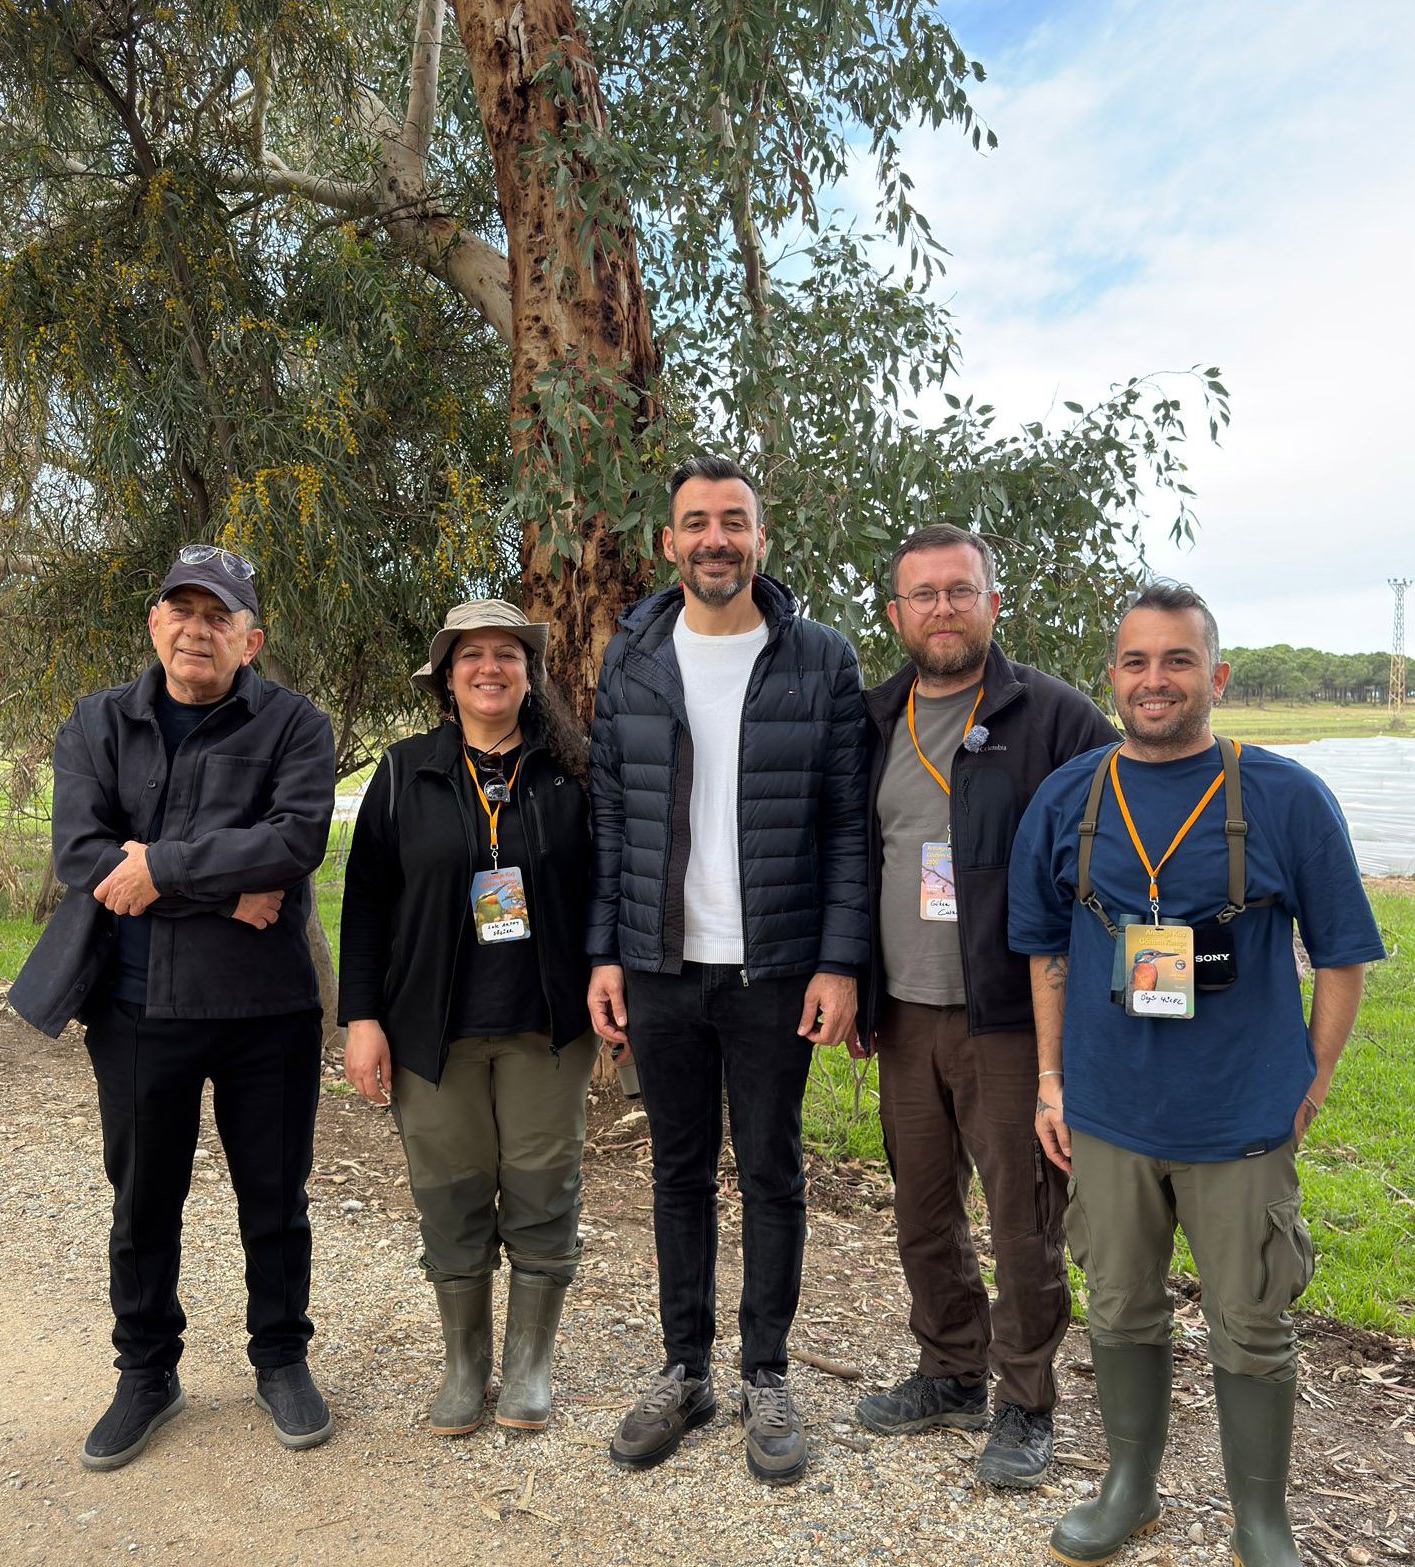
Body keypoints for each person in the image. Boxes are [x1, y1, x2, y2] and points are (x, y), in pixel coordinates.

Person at [1009, 583, 1384, 1567]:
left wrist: (1311, 1080)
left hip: (1239, 1121)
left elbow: (1344, 957)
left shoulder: (1286, 796)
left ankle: (1262, 1524)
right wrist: (1051, 1082)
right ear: (1112, 677)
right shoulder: (1070, 798)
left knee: (1254, 1320)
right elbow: (1042, 952)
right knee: (1118, 1304)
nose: (1156, 680)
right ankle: (1130, 1486)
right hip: (1110, 1118)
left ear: (1216, 675)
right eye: (1136, 661)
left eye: (1178, 660)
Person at [10, 547, 336, 1468]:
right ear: (155, 624)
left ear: (250, 640)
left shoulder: (297, 725)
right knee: (143, 1198)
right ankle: (147, 1371)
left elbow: (294, 842)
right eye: (181, 610)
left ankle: (282, 1359)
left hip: (267, 1008)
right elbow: (83, 853)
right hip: (137, 1004)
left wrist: (157, 866)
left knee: (275, 1196)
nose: (198, 630)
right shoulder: (98, 722)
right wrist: (223, 892)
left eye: (218, 615)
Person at [588, 454, 868, 1484]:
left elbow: (847, 826)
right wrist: (604, 950)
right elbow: (611, 817)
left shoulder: (820, 658)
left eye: (734, 521)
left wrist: (839, 963)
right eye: (697, 522)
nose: (716, 539)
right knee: (677, 1170)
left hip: (774, 969)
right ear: (670, 542)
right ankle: (686, 1368)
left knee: (770, 1171)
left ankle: (767, 1373)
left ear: (761, 538)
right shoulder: (632, 656)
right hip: (660, 965)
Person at [851, 525, 1115, 1487]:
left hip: (1008, 1015)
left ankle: (1026, 1400)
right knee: (923, 1209)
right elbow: (855, 858)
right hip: (903, 1012)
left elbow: (1119, 846)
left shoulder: (1054, 716)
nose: (943, 609)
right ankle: (950, 1370)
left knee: (1021, 1216)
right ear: (897, 615)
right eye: (923, 595)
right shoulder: (873, 718)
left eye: (960, 590)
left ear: (993, 603)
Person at [339, 602, 596, 1436]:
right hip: (431, 1031)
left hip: (546, 1027)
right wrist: (361, 1018)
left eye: (508, 654)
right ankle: (465, 1363)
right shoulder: (404, 772)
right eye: (472, 655)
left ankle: (528, 1364)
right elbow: (365, 902)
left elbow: (604, 891)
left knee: (543, 1191)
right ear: (446, 678)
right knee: (449, 1197)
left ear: (529, 674)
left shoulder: (570, 773)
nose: (491, 668)